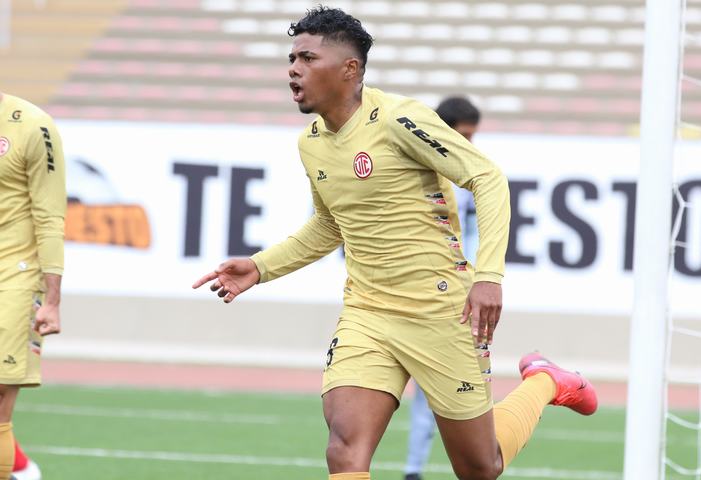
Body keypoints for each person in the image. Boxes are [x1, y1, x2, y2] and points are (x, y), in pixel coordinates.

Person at [194, 7, 597, 480]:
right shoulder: (311, 143)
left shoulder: (400, 120)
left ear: (350, 69)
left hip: (439, 310)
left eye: (307, 58)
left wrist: (488, 276)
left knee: (479, 468)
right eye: (292, 58)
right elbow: (330, 224)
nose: (293, 69)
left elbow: (487, 178)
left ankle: (546, 381)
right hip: (367, 311)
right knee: (344, 448)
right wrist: (261, 267)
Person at [403, 96, 481, 480]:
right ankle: (412, 468)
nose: (469, 143)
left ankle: (414, 469)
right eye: (463, 134)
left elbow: (476, 236)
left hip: (451, 293)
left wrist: (478, 277)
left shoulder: (469, 174)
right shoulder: (411, 166)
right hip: (405, 291)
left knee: (455, 388)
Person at [0, 92, 66, 480]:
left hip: (15, 277)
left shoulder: (31, 125)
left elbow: (50, 216)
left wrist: (52, 299)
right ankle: (22, 470)